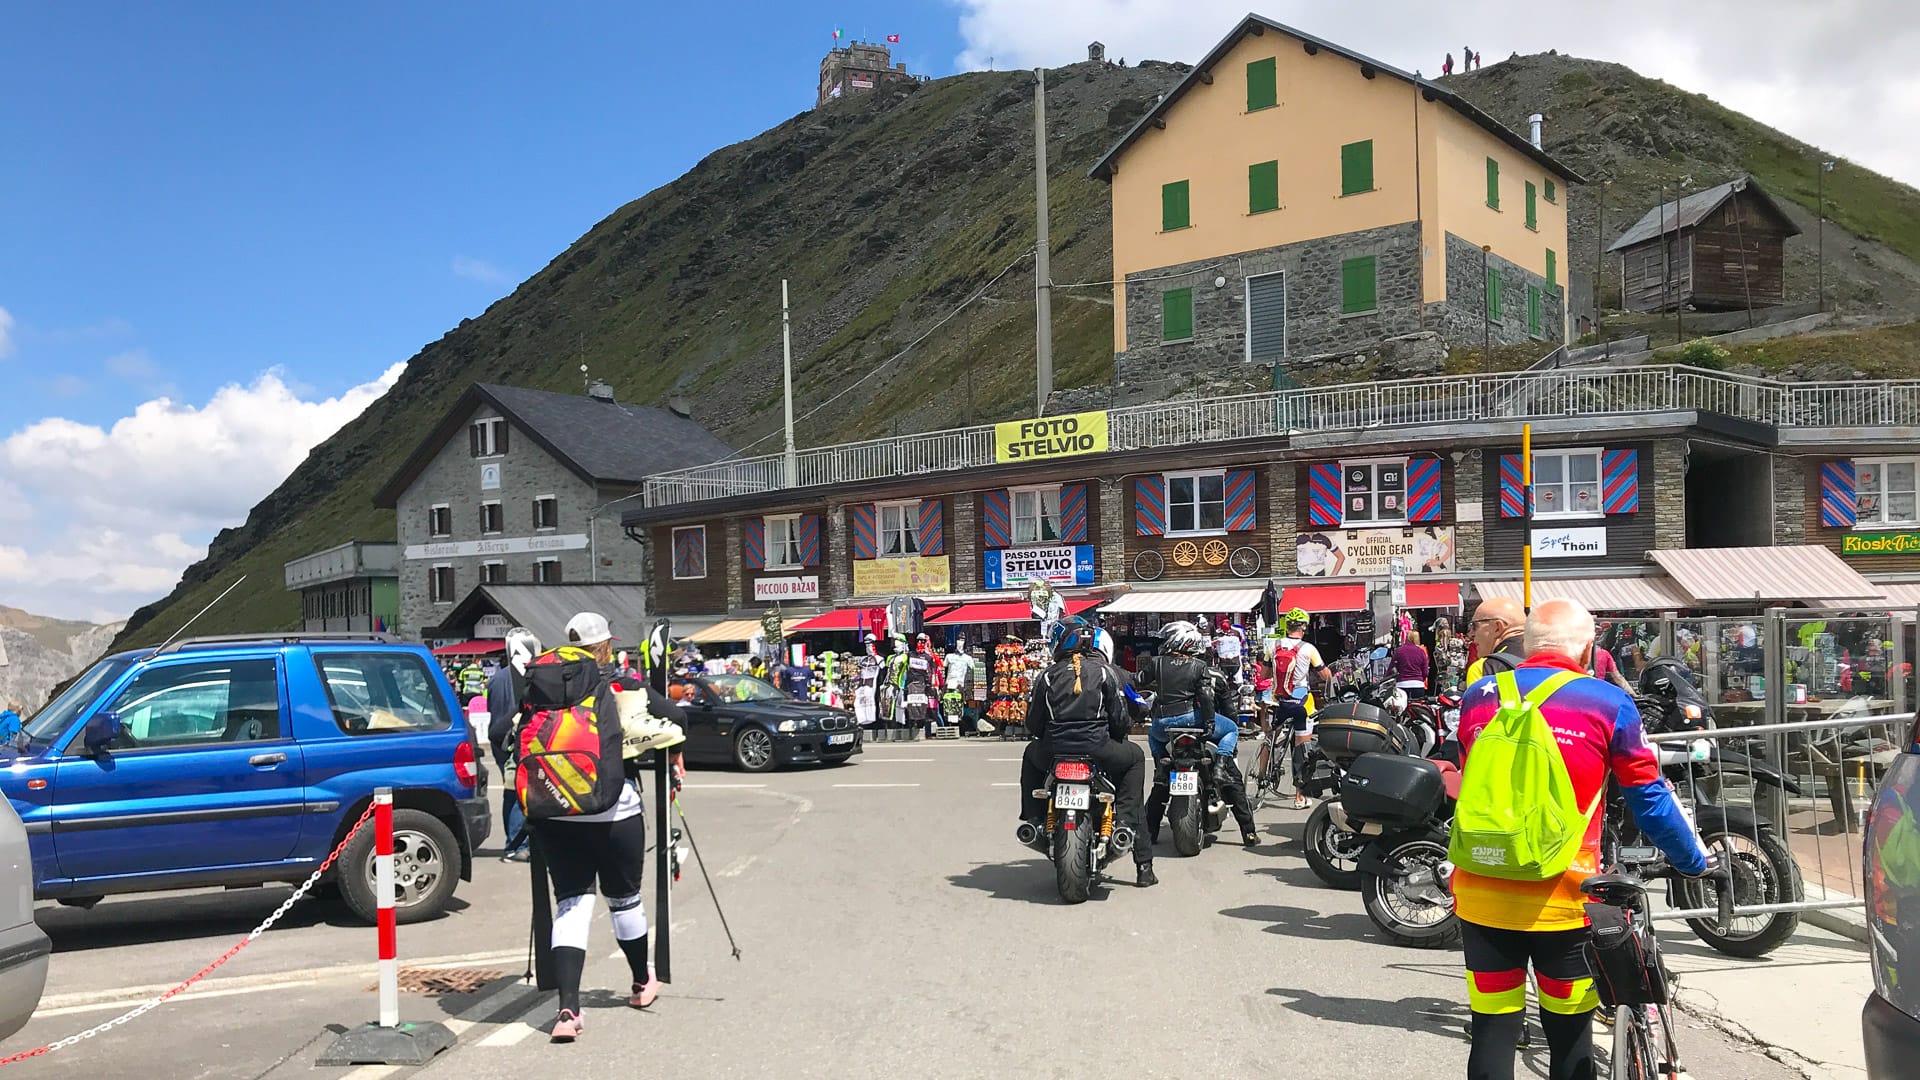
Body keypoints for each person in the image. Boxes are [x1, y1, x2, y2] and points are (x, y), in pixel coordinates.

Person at [1453, 599, 1712, 1080]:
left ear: (1526, 643)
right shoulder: (1606, 702)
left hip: (1482, 889)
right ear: (1588, 647)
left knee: (1492, 1029)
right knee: (1569, 1036)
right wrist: (1694, 860)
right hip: (1564, 897)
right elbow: (1649, 799)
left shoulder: (1480, 695)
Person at [526, 612, 685, 1042]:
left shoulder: (541, 680)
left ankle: (567, 1010)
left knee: (572, 904)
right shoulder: (621, 683)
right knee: (624, 899)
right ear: (607, 645)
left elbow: (506, 732)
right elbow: (675, 719)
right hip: (614, 809)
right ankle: (640, 982)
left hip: (554, 808)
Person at [1017, 618, 1156, 887]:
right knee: (1136, 758)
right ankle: (1126, 825)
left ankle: (1033, 819)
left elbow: (1033, 724)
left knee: (1029, 755)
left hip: (1054, 751)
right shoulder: (1106, 673)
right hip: (1099, 749)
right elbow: (1118, 721)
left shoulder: (1047, 676)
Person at [1139, 622, 1257, 848]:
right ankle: (1249, 833)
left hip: (1173, 733)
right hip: (1208, 733)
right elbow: (1229, 712)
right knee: (1232, 782)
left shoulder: (1162, 667)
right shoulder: (1212, 673)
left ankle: (1150, 831)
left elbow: (1140, 683)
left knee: (1160, 786)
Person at [1269, 608, 1333, 809]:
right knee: (1301, 750)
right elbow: (1325, 675)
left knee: (1269, 739)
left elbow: (1262, 673)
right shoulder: (1309, 648)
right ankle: (1299, 796)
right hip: (1301, 704)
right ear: (1304, 626)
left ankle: (1261, 775)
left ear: (1287, 626)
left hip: (1278, 701)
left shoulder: (1274, 645)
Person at [486, 628, 540, 861]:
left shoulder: (497, 678)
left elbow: (492, 708)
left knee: (511, 792)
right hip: (515, 738)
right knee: (521, 793)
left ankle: (513, 843)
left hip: (499, 739)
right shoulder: (530, 675)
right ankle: (517, 845)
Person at [1463, 596, 1526, 684]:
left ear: (1497, 628)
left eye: (1474, 626)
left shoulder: (1483, 669)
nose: (1471, 634)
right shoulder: (1548, 657)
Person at [1391, 627, 1431, 699]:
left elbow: (1391, 668)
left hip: (1401, 685)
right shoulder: (1421, 652)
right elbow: (1425, 672)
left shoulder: (1399, 651)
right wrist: (1420, 679)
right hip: (1418, 685)